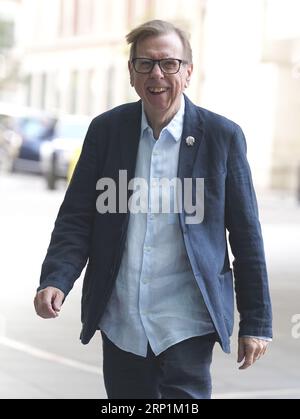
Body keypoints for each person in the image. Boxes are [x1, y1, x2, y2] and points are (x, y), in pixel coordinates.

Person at [34, 19, 272, 399]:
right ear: (131, 73)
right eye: (144, 64)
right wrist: (56, 279)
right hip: (121, 321)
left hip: (187, 323)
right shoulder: (106, 131)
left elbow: (246, 237)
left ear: (188, 72)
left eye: (169, 63)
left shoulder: (221, 137)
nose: (157, 74)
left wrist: (256, 321)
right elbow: (77, 218)